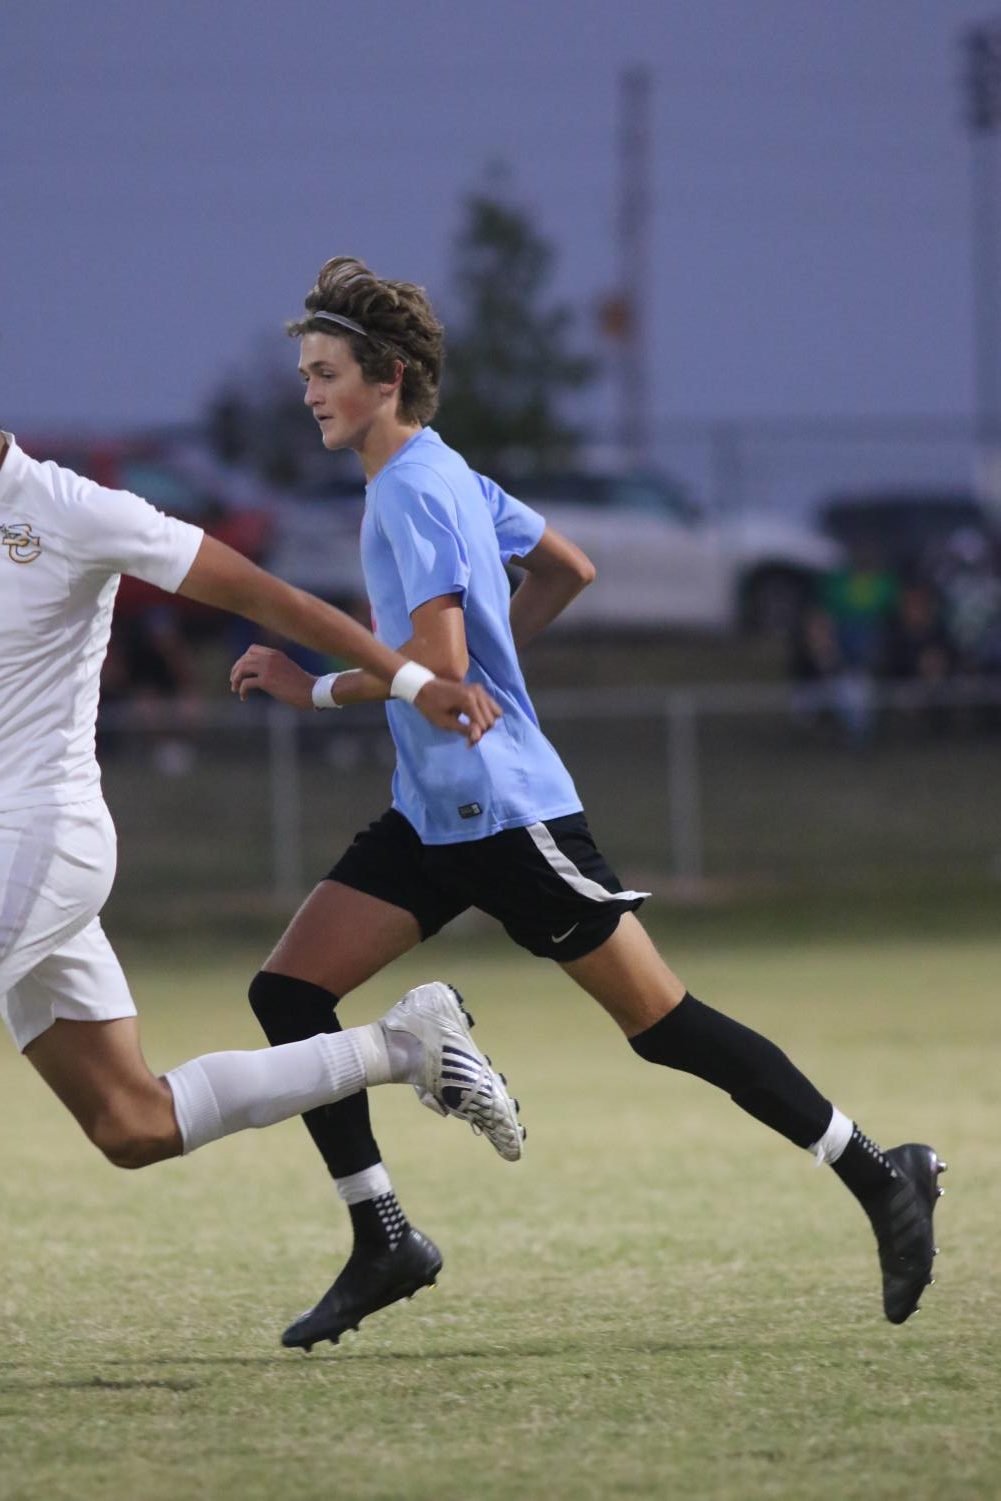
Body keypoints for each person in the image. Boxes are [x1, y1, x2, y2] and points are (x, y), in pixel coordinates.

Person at [232, 257, 946, 1352]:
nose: (310, 393)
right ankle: (383, 1235)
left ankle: (878, 1169)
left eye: (324, 373)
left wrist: (313, 682)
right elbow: (566, 568)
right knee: (286, 992)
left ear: (386, 379)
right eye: (306, 376)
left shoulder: (411, 490)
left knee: (662, 1026)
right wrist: (490, 673)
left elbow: (434, 655)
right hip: (433, 815)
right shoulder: (452, 473)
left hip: (503, 816)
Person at [0, 430, 522, 1286]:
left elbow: (265, 596)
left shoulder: (71, 509)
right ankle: (403, 1047)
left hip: (34, 834)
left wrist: (408, 680)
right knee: (133, 1123)